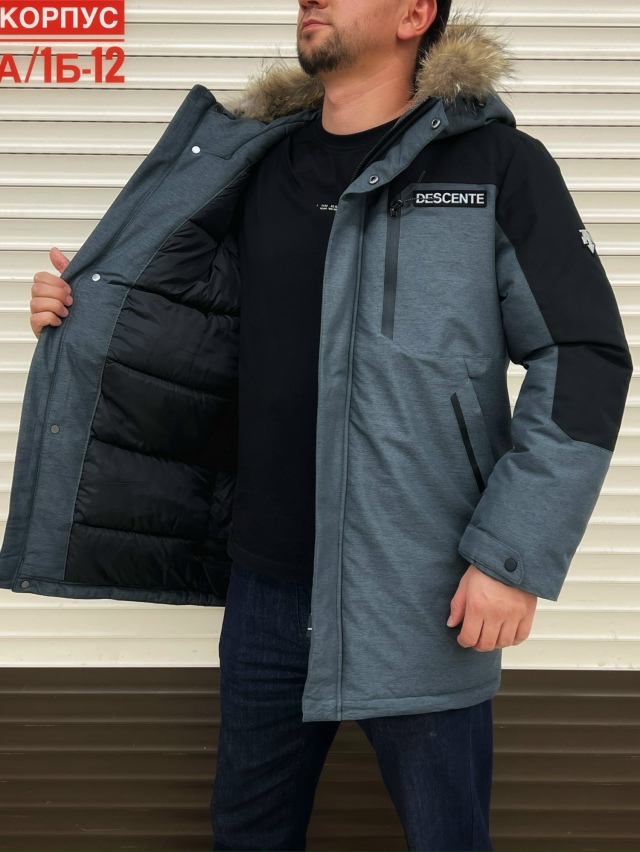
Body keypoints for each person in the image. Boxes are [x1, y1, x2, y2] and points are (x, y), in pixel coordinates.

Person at [22, 1, 633, 850]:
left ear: (415, 13)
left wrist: (513, 555)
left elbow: (584, 357)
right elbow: (197, 329)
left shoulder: (497, 165)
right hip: (265, 589)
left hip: (421, 592)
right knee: (248, 837)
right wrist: (84, 311)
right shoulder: (250, 163)